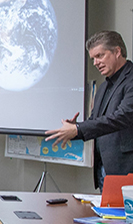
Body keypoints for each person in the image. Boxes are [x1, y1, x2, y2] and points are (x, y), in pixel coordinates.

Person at [45, 31, 133, 191]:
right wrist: (76, 128)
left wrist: (78, 129)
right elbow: (95, 121)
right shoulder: (104, 86)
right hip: (104, 169)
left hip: (125, 169)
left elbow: (123, 116)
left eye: (100, 56)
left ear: (117, 52)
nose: (95, 62)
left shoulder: (131, 78)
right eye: (93, 58)